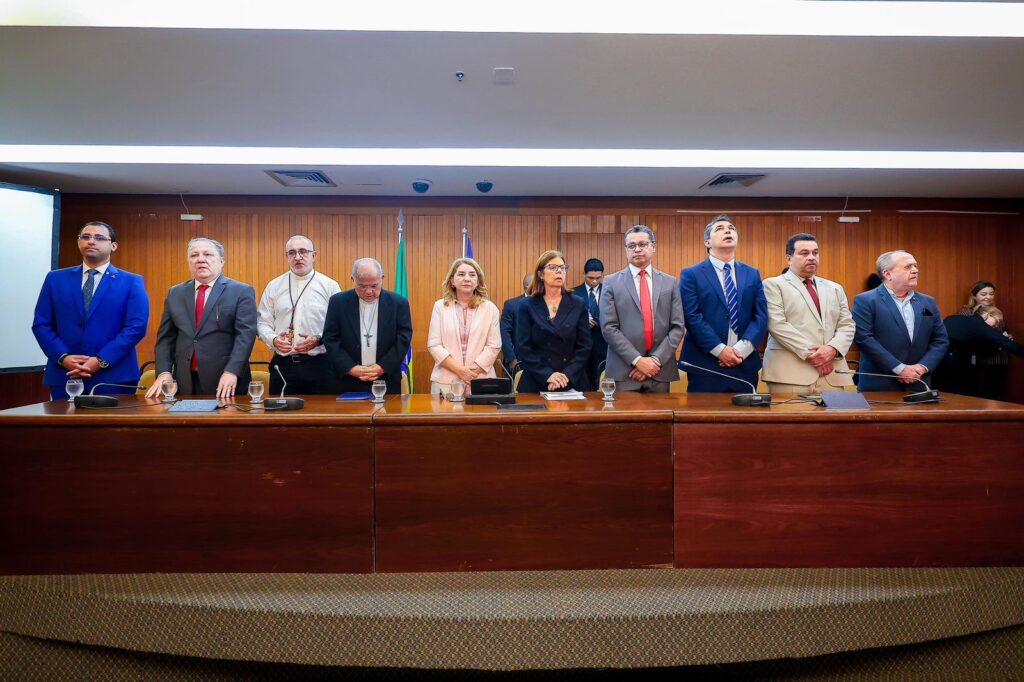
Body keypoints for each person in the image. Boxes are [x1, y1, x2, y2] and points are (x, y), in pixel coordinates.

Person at [32, 221, 149, 400]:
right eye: (85, 237)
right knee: (64, 419)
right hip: (65, 375)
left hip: (114, 376)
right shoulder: (55, 279)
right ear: (78, 242)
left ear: (113, 246)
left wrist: (101, 360)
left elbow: (136, 327)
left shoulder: (131, 281)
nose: (91, 241)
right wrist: (63, 357)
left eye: (99, 238)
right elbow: (41, 324)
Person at [147, 238, 257, 399]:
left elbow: (245, 336)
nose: (200, 259)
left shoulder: (241, 291)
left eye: (207, 254)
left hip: (225, 380)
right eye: (194, 255)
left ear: (221, 261)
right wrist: (164, 372)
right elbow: (165, 338)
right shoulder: (175, 293)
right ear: (189, 262)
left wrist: (232, 371)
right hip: (184, 381)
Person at [678, 214, 767, 393]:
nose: (727, 231)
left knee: (746, 412)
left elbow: (761, 316)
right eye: (720, 229)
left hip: (744, 363)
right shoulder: (691, 274)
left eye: (731, 229)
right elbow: (691, 316)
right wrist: (719, 350)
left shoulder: (752, 273)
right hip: (705, 365)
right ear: (707, 242)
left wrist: (741, 350)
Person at [761, 233, 856, 394]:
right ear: (789, 258)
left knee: (836, 412)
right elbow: (777, 325)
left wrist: (832, 349)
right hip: (789, 373)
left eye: (815, 253)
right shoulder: (773, 285)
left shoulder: (835, 288)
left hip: (831, 374)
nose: (811, 257)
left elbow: (847, 325)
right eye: (804, 253)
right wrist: (817, 356)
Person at [601, 226, 685, 393]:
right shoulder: (611, 282)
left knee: (663, 412)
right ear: (625, 250)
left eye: (642, 244)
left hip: (659, 371)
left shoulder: (670, 282)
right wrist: (638, 360)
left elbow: (677, 327)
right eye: (631, 246)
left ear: (653, 246)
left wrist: (655, 361)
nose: (637, 249)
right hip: (625, 372)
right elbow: (608, 328)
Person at [852, 250, 949, 392]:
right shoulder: (866, 300)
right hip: (879, 386)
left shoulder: (928, 302)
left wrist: (922, 367)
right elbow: (863, 339)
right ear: (888, 274)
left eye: (915, 266)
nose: (915, 270)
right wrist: (900, 369)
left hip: (919, 383)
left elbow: (941, 340)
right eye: (908, 267)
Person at [256, 235, 342, 394]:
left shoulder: (330, 286)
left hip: (321, 366)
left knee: (324, 411)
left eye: (303, 252)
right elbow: (262, 323)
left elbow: (339, 326)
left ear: (314, 255)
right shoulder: (274, 286)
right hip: (283, 366)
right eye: (292, 253)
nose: (297, 257)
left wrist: (318, 339)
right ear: (286, 256)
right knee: (280, 410)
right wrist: (273, 339)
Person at [322, 258, 412, 396]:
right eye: (362, 286)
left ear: (382, 278)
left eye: (374, 285)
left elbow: (403, 339)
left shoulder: (398, 303)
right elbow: (330, 338)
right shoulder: (338, 302)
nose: (369, 291)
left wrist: (382, 367)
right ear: (353, 280)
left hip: (386, 379)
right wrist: (350, 368)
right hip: (348, 380)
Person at [515, 251, 591, 393]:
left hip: (571, 380)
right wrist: (547, 375)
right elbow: (523, 347)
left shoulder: (578, 303)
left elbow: (584, 346)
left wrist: (566, 376)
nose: (559, 271)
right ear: (540, 274)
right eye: (553, 267)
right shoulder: (527, 305)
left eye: (562, 268)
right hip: (536, 380)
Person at [427, 258, 502, 396]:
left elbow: (494, 346)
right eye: (461, 274)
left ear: (478, 281)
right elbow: (434, 345)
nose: (467, 278)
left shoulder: (490, 309)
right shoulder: (440, 307)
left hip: (481, 380)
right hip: (446, 380)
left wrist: (471, 372)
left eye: (472, 275)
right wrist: (460, 371)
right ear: (452, 280)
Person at [937, 305, 1022, 399]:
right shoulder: (981, 326)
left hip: (933, 356)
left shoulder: (957, 318)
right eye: (997, 321)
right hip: (946, 358)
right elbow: (1008, 344)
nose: (997, 325)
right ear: (987, 315)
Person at [571, 258, 608, 390]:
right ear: (584, 274)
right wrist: (581, 320)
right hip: (580, 345)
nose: (594, 281)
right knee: (582, 382)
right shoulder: (573, 293)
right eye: (590, 278)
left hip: (603, 343)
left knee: (601, 380)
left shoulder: (609, 292)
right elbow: (566, 319)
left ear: (602, 275)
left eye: (598, 278)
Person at [499, 274, 532, 378]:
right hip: (518, 363)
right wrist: (512, 360)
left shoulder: (546, 304)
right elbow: (504, 333)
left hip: (542, 364)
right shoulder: (512, 305)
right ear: (527, 286)